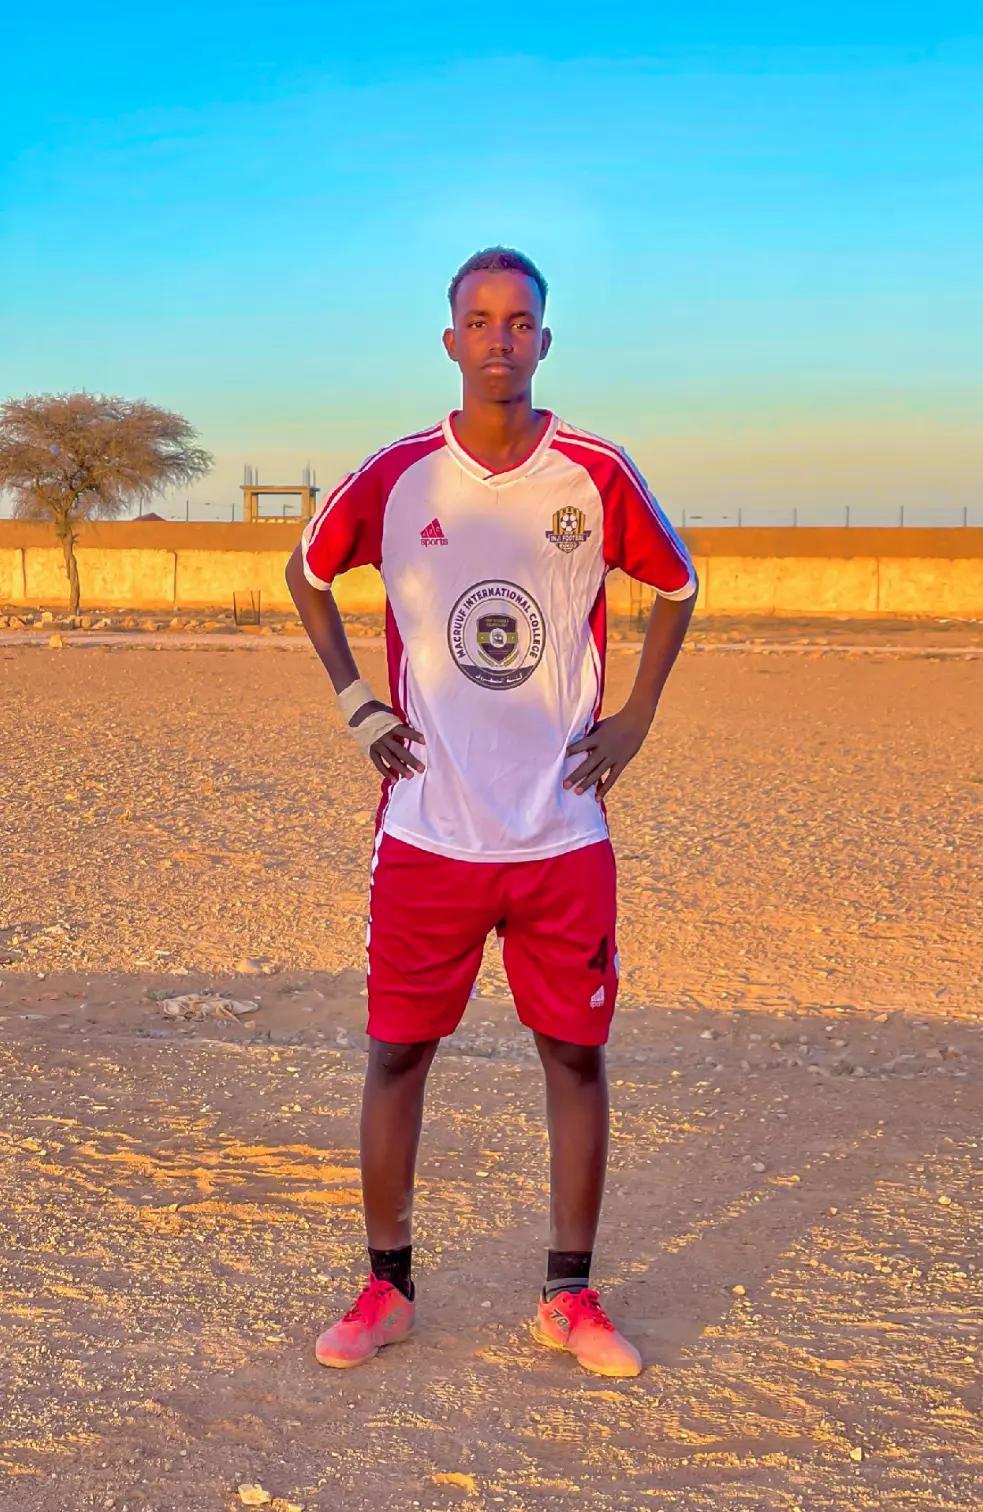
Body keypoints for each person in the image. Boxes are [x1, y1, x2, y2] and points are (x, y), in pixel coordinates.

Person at [285, 246, 697, 1379]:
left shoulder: (594, 474)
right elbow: (307, 573)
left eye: (520, 321)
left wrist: (638, 716)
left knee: (575, 1054)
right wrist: (357, 700)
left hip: (562, 831)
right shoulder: (400, 475)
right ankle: (386, 1288)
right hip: (431, 830)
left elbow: (678, 584)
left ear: (544, 341)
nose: (500, 338)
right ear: (451, 340)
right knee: (396, 1054)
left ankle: (570, 1295)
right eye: (481, 320)